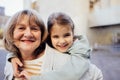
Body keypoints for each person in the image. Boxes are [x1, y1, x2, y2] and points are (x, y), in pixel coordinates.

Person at [3, 10, 102, 80]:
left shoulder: (69, 58)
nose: (62, 41)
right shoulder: (11, 62)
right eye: (21, 28)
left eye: (34, 28)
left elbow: (96, 74)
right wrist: (12, 56)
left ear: (42, 34)